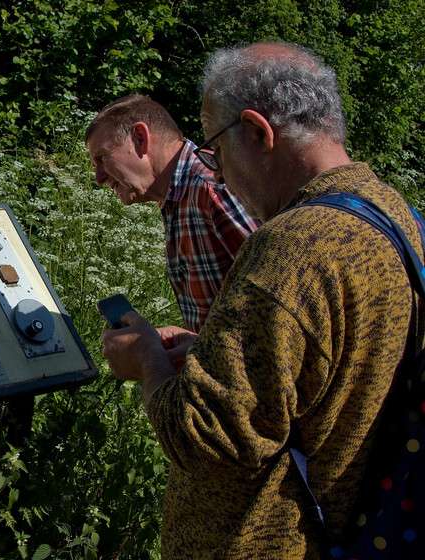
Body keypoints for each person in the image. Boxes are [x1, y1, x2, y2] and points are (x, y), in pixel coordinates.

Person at [100, 42, 425, 558]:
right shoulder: (392, 212)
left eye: (218, 151)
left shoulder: (293, 249)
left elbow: (204, 436)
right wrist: (214, 347)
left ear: (256, 131)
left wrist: (146, 359)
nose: (219, 172)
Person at [86, 95, 258, 332]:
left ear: (140, 138)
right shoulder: (176, 198)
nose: (99, 178)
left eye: (102, 159)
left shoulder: (211, 190)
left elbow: (284, 299)